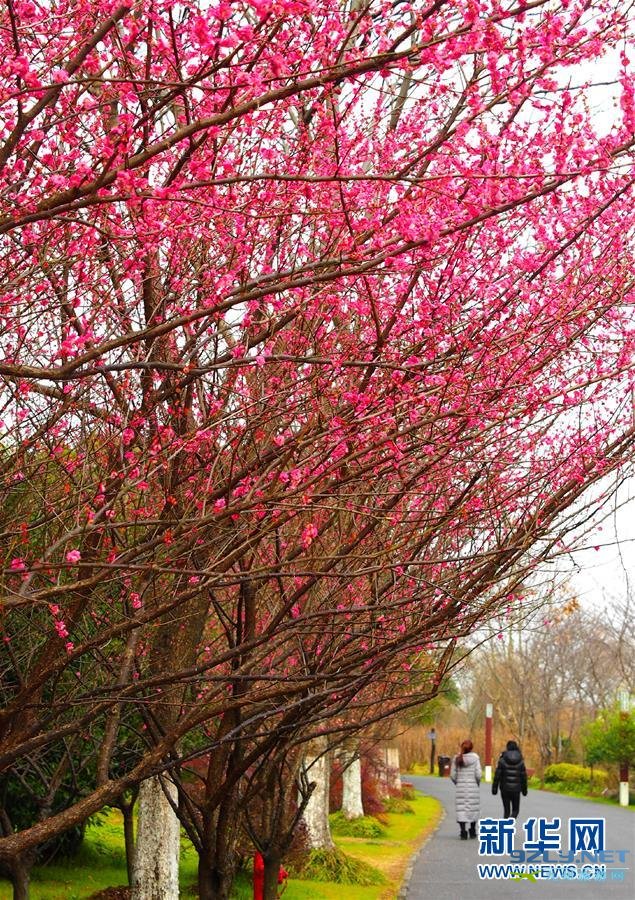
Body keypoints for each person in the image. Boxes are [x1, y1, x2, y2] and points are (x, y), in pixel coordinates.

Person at [450, 739, 482, 839]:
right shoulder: (475, 758)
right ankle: (472, 830)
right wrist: (477, 783)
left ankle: (463, 831)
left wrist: (458, 782)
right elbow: (478, 774)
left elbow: (452, 775)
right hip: (473, 787)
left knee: (461, 809)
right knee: (473, 808)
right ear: (471, 748)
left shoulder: (457, 758)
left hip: (461, 788)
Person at [492, 740, 528, 819]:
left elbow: (497, 775)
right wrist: (524, 790)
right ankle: (509, 823)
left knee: (506, 811)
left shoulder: (502, 760)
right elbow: (524, 777)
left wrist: (494, 789)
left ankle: (506, 827)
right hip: (516, 790)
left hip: (504, 789)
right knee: (515, 810)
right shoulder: (521, 760)